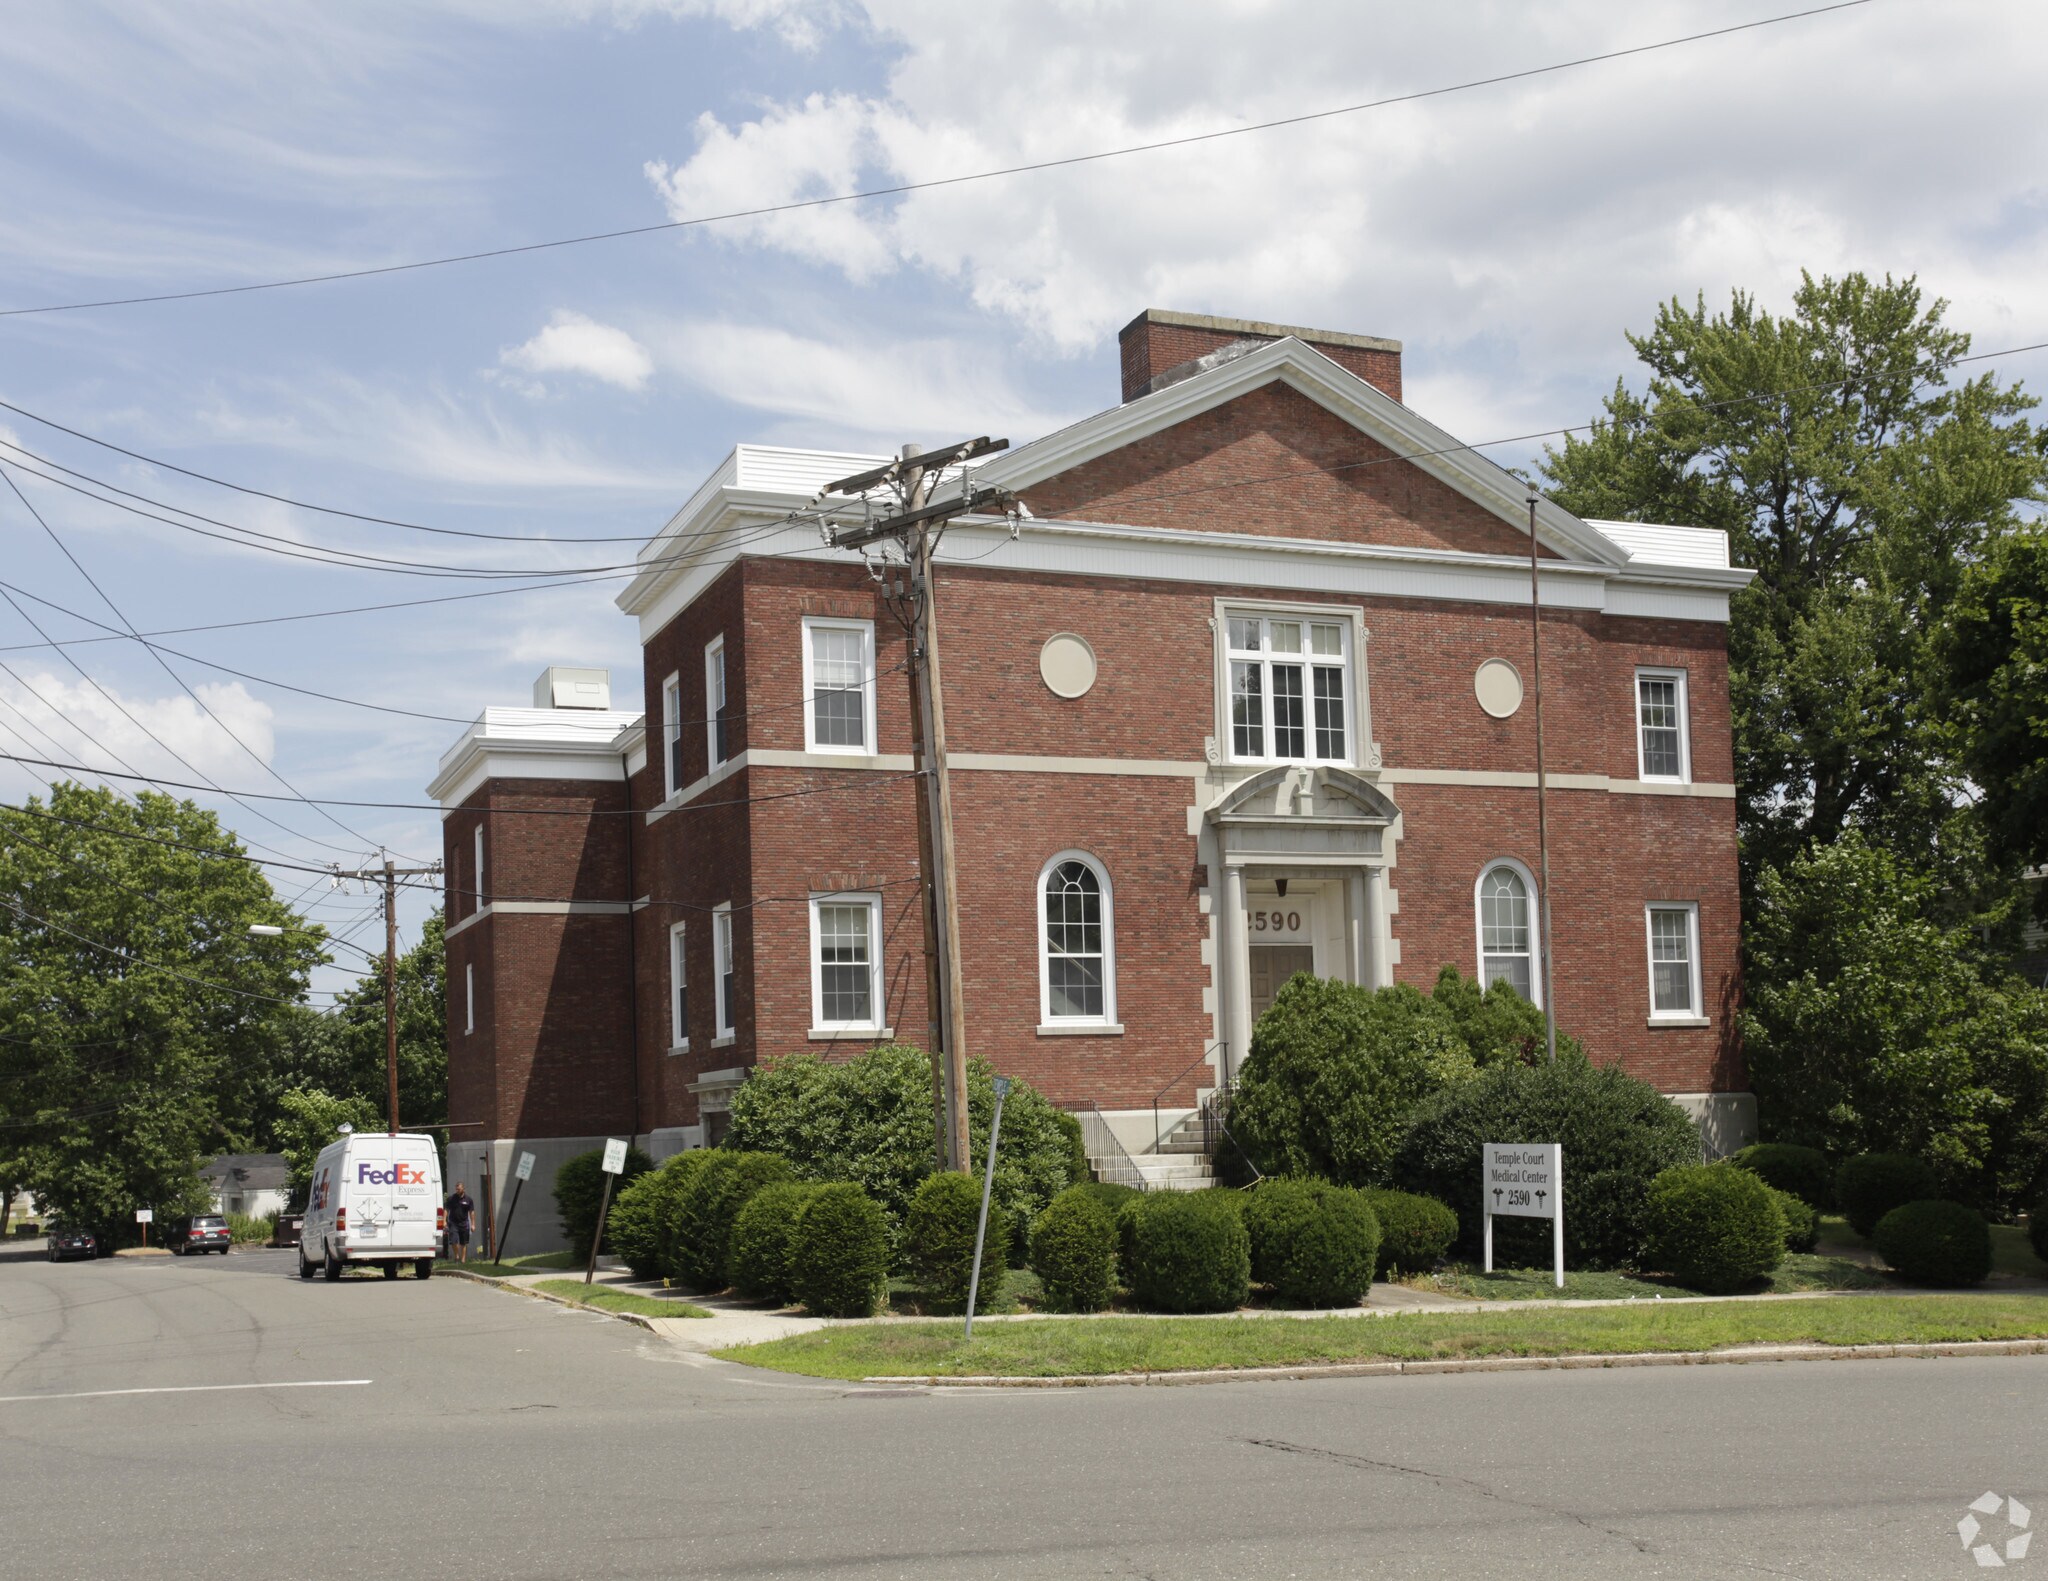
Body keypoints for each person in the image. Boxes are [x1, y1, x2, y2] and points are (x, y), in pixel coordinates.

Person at [445, 1182, 475, 1264]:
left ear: (463, 1189)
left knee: (463, 1243)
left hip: (464, 1223)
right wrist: (444, 1221)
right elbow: (446, 1210)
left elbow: (472, 1212)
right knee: (453, 1241)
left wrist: (473, 1224)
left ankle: (463, 1260)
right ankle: (457, 1256)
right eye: (456, 1189)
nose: (457, 1190)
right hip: (453, 1223)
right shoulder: (451, 1198)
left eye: (459, 1189)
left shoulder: (468, 1199)